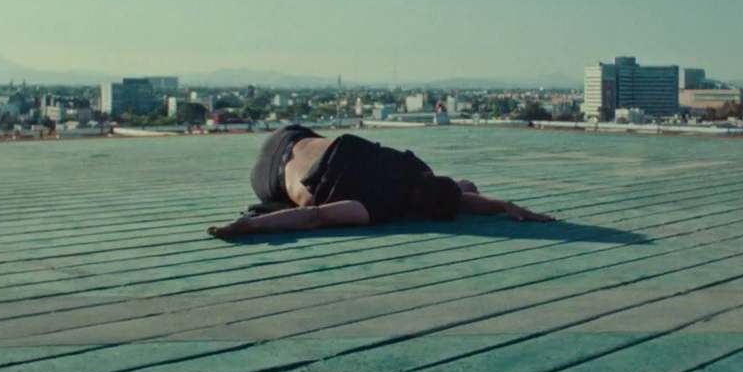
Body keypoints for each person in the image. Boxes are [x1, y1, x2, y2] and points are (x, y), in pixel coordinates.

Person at [209, 124, 554, 238]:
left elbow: (462, 189)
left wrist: (503, 205)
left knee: (469, 185)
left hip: (288, 136)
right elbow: (315, 217)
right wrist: (249, 226)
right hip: (267, 177)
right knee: (468, 187)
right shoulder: (376, 208)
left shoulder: (411, 164)